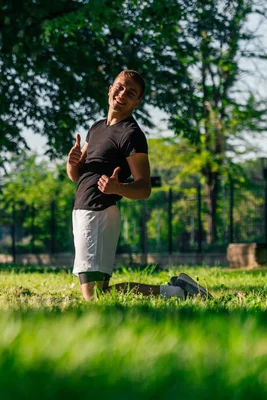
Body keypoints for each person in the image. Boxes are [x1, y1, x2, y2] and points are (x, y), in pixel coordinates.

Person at [66, 70, 212, 301]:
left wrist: (118, 188)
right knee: (100, 293)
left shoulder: (131, 134)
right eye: (120, 87)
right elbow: (77, 176)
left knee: (92, 296)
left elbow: (144, 188)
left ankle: (178, 292)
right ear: (110, 89)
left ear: (137, 102)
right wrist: (72, 162)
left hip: (98, 214)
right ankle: (177, 291)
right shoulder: (97, 128)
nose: (122, 94)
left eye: (131, 92)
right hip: (84, 213)